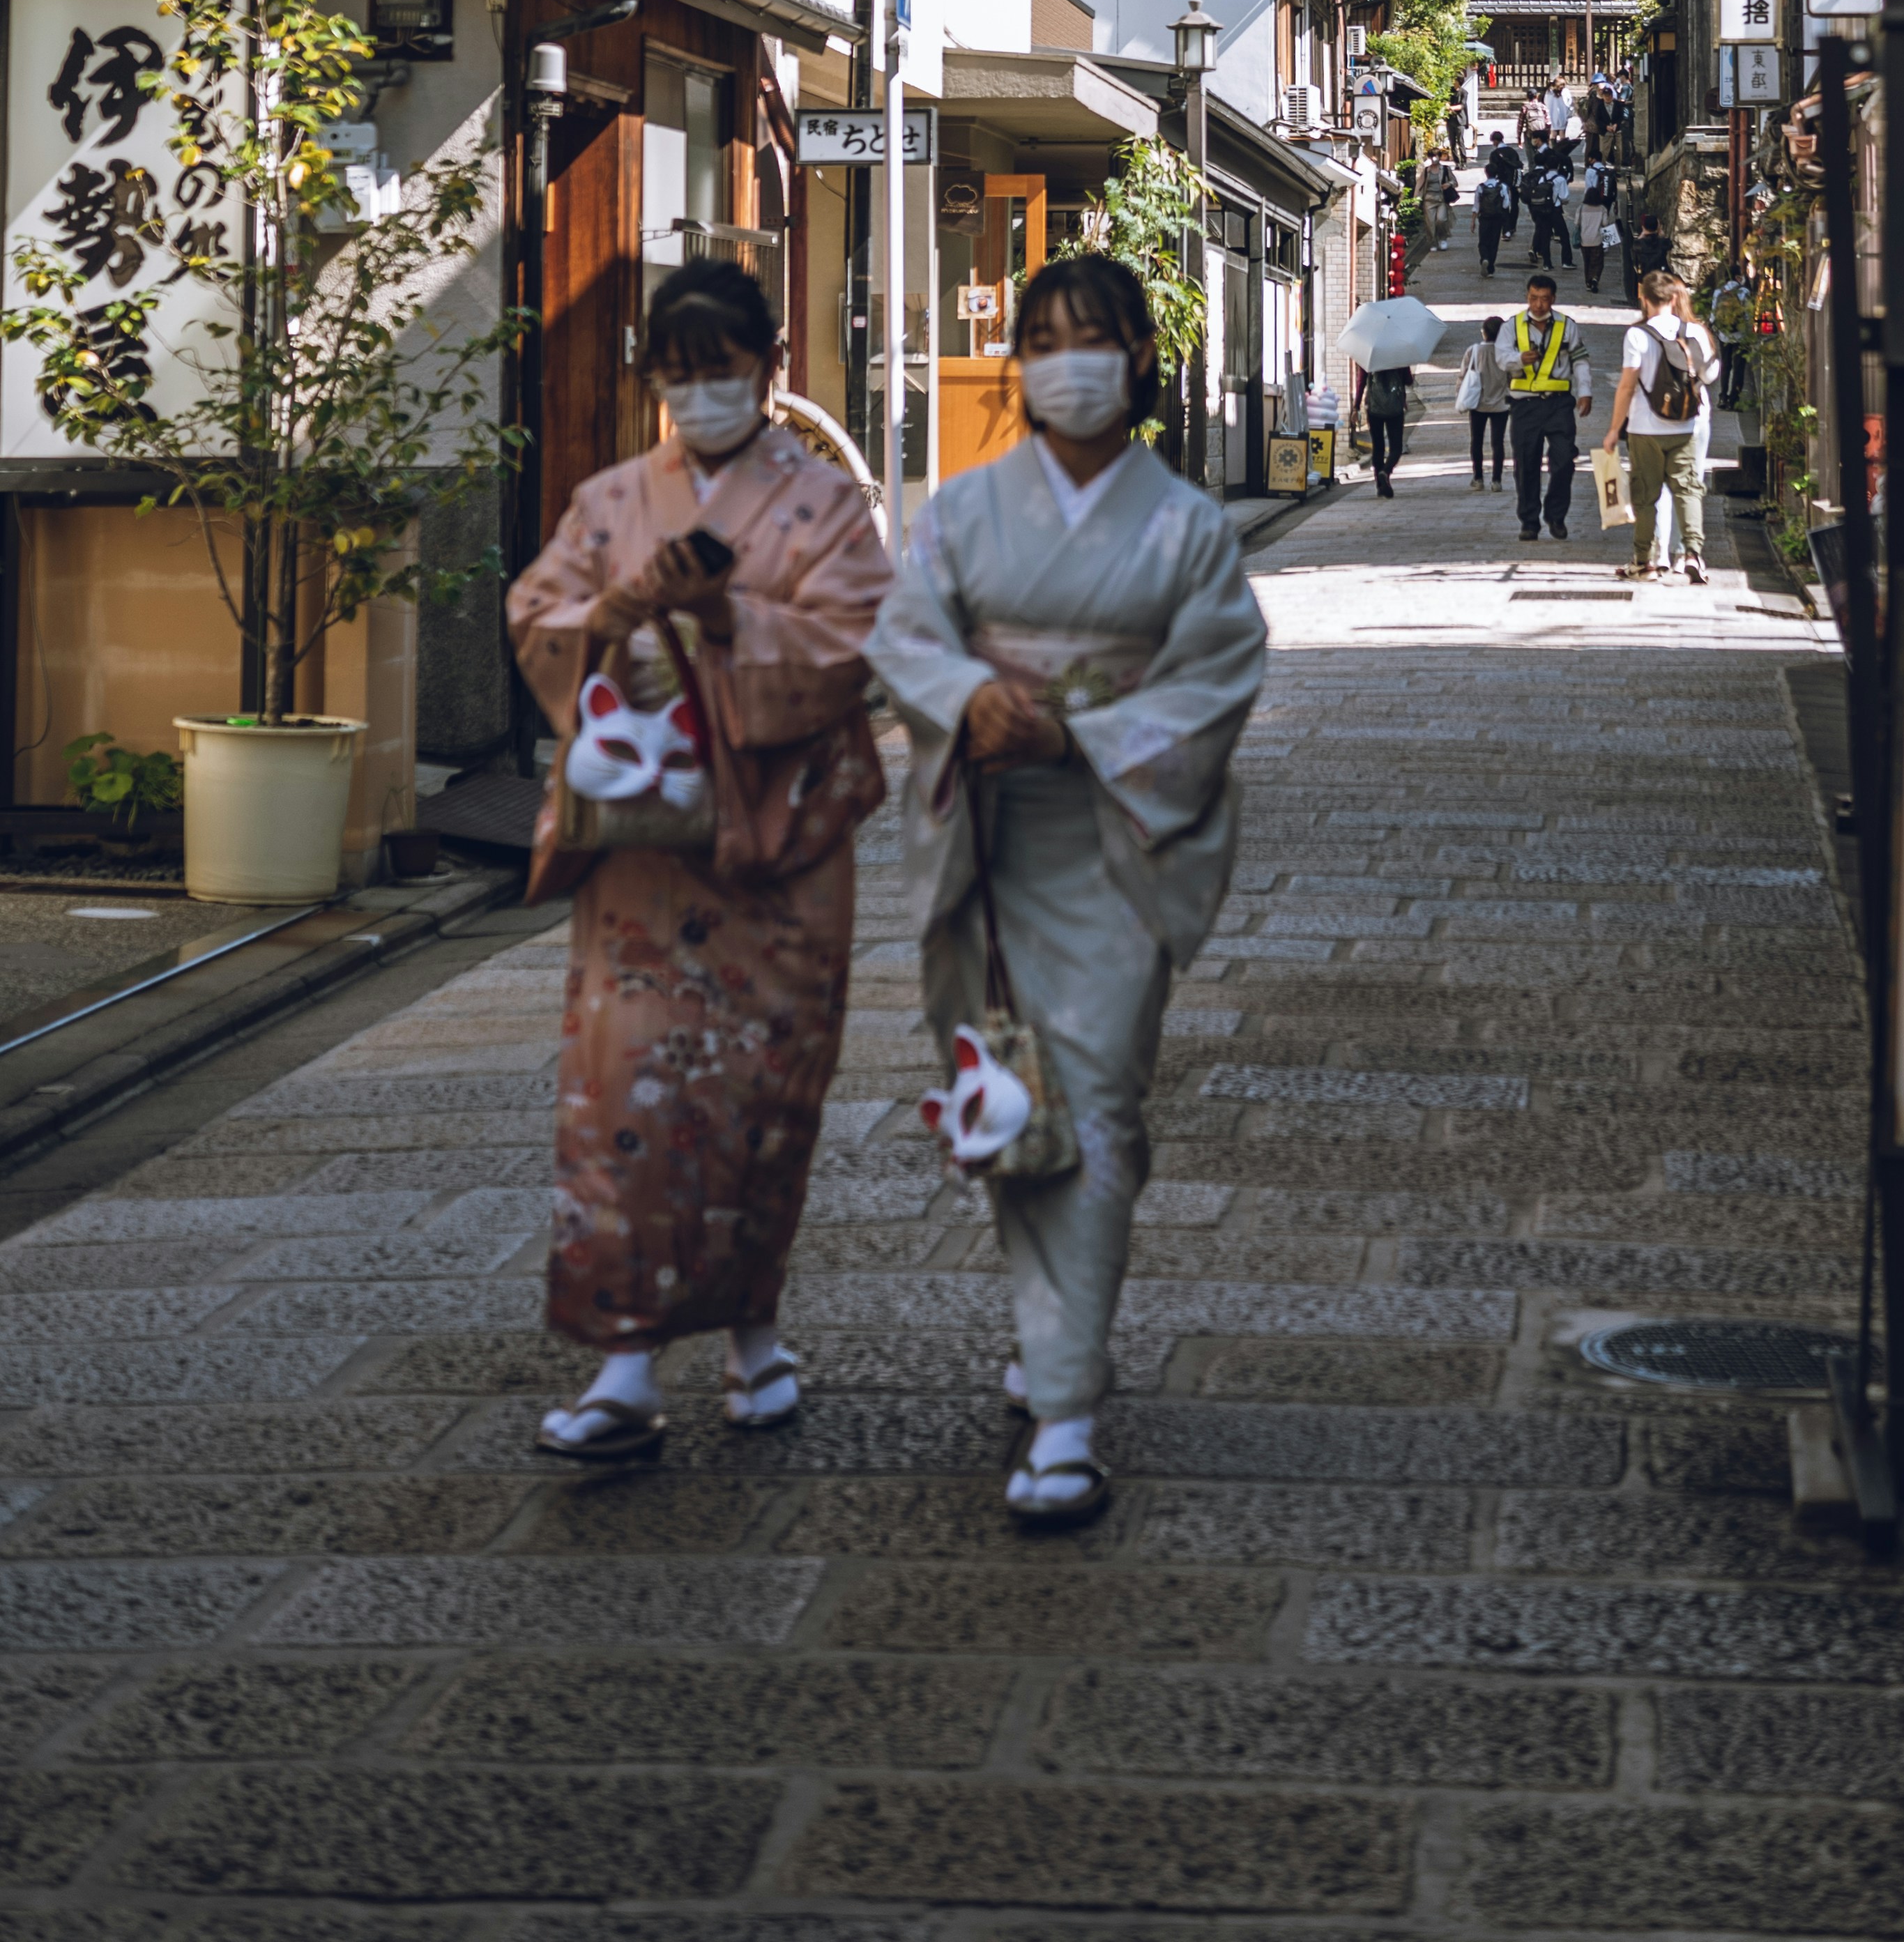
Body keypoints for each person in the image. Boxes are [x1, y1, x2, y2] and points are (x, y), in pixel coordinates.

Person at [869, 253, 1266, 1527]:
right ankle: (1054, 1340)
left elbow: (1217, 674)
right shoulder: (967, 510)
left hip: (1112, 844)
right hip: (984, 839)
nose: (1065, 361)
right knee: (1008, 1094)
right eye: (1041, 339)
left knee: (1092, 1105)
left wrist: (1082, 733)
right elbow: (904, 634)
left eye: (1091, 338)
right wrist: (968, 698)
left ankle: (1065, 1409)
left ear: (1141, 356)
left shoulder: (1189, 528)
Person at [510, 258, 892, 1465]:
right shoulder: (615, 498)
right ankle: (622, 1361)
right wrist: (620, 612)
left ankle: (755, 1339)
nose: (699, 393)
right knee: (622, 1098)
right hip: (643, 858)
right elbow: (540, 617)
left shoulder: (827, 506)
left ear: (767, 371)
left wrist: (731, 624)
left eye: (721, 370)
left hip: (773, 854)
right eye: (678, 374)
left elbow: (858, 645)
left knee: (760, 1099)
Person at [1607, 261, 1717, 586]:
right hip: (1685, 426)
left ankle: (1645, 562)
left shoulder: (1637, 335)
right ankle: (1693, 555)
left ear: (1644, 298)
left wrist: (1614, 428)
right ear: (1673, 297)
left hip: (1645, 428)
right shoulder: (1694, 332)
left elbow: (1628, 385)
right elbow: (1711, 375)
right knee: (1688, 490)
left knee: (1646, 495)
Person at [1506, 273, 1593, 541]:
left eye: (1544, 299)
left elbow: (1579, 360)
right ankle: (1529, 522)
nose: (1539, 305)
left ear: (1553, 299)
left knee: (1565, 460)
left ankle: (1556, 516)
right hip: (1524, 407)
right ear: (1527, 297)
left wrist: (1585, 391)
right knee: (1526, 464)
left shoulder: (1567, 326)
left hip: (1559, 405)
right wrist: (1519, 358)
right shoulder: (1513, 326)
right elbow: (1501, 358)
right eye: (1534, 298)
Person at [1459, 310, 1511, 487]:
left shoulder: (1474, 351)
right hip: (1501, 404)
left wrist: (1461, 394)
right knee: (1498, 443)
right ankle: (1497, 480)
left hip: (1478, 403)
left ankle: (1478, 478)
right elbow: (1513, 378)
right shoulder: (1507, 353)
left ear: (1484, 332)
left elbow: (1463, 376)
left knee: (1477, 441)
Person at [1364, 353, 1414, 498]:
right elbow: (1408, 380)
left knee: (1378, 447)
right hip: (1395, 409)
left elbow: (1362, 381)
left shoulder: (1370, 357)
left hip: (1374, 409)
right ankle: (1385, 472)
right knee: (1396, 448)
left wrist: (1356, 407)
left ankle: (1380, 487)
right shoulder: (1400, 357)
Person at [1476, 137, 1521, 278]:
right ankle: (1509, 230)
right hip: (1510, 186)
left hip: (1485, 216)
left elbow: (1476, 205)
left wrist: (1473, 219)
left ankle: (1484, 258)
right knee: (1494, 243)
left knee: (1483, 241)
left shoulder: (1481, 187)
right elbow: (1506, 205)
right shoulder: (1512, 151)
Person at [1523, 156, 1574, 272]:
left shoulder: (1543, 178)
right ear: (1558, 166)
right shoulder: (1560, 179)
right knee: (1564, 236)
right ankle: (1566, 261)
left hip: (1543, 210)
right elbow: (1564, 198)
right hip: (1555, 210)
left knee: (1545, 236)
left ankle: (1547, 263)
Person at [1576, 155, 1615, 296]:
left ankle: (1588, 281)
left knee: (1587, 262)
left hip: (1584, 239)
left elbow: (1577, 223)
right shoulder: (1602, 209)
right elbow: (1605, 224)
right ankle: (1595, 278)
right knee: (1598, 261)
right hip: (1597, 240)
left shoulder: (1581, 208)